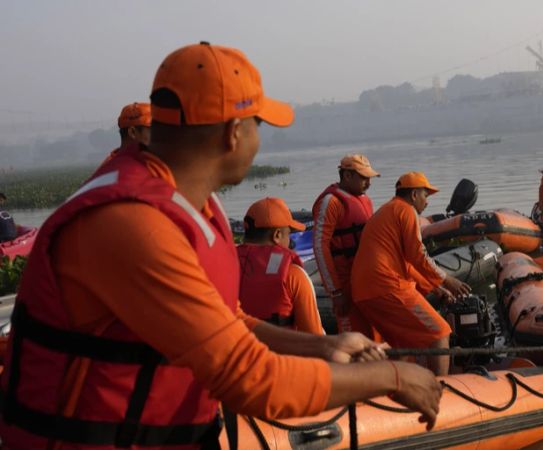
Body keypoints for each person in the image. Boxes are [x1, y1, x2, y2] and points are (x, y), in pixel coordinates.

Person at [0, 42, 441, 449]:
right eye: (258, 125)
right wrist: (393, 376)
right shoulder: (132, 224)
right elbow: (251, 381)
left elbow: (225, 320)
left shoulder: (186, 201)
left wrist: (322, 346)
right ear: (233, 133)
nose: (259, 140)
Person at [351, 172, 472, 376]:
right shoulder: (406, 211)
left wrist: (435, 287)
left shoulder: (387, 211)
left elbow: (406, 263)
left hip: (364, 293)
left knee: (402, 346)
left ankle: (390, 390)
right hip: (387, 287)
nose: (427, 202)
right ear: (414, 194)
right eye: (426, 195)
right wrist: (448, 279)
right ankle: (440, 391)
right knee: (440, 332)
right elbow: (418, 255)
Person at [312, 154, 381, 338]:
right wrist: (336, 292)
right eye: (364, 178)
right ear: (348, 176)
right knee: (353, 337)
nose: (368, 183)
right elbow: (320, 246)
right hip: (344, 281)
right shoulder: (331, 202)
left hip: (366, 280)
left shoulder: (365, 200)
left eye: (369, 178)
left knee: (374, 336)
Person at [238, 197, 324, 334]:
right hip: (281, 354)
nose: (290, 241)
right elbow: (315, 337)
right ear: (277, 235)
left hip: (234, 351)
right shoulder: (293, 275)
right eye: (289, 234)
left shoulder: (225, 265)